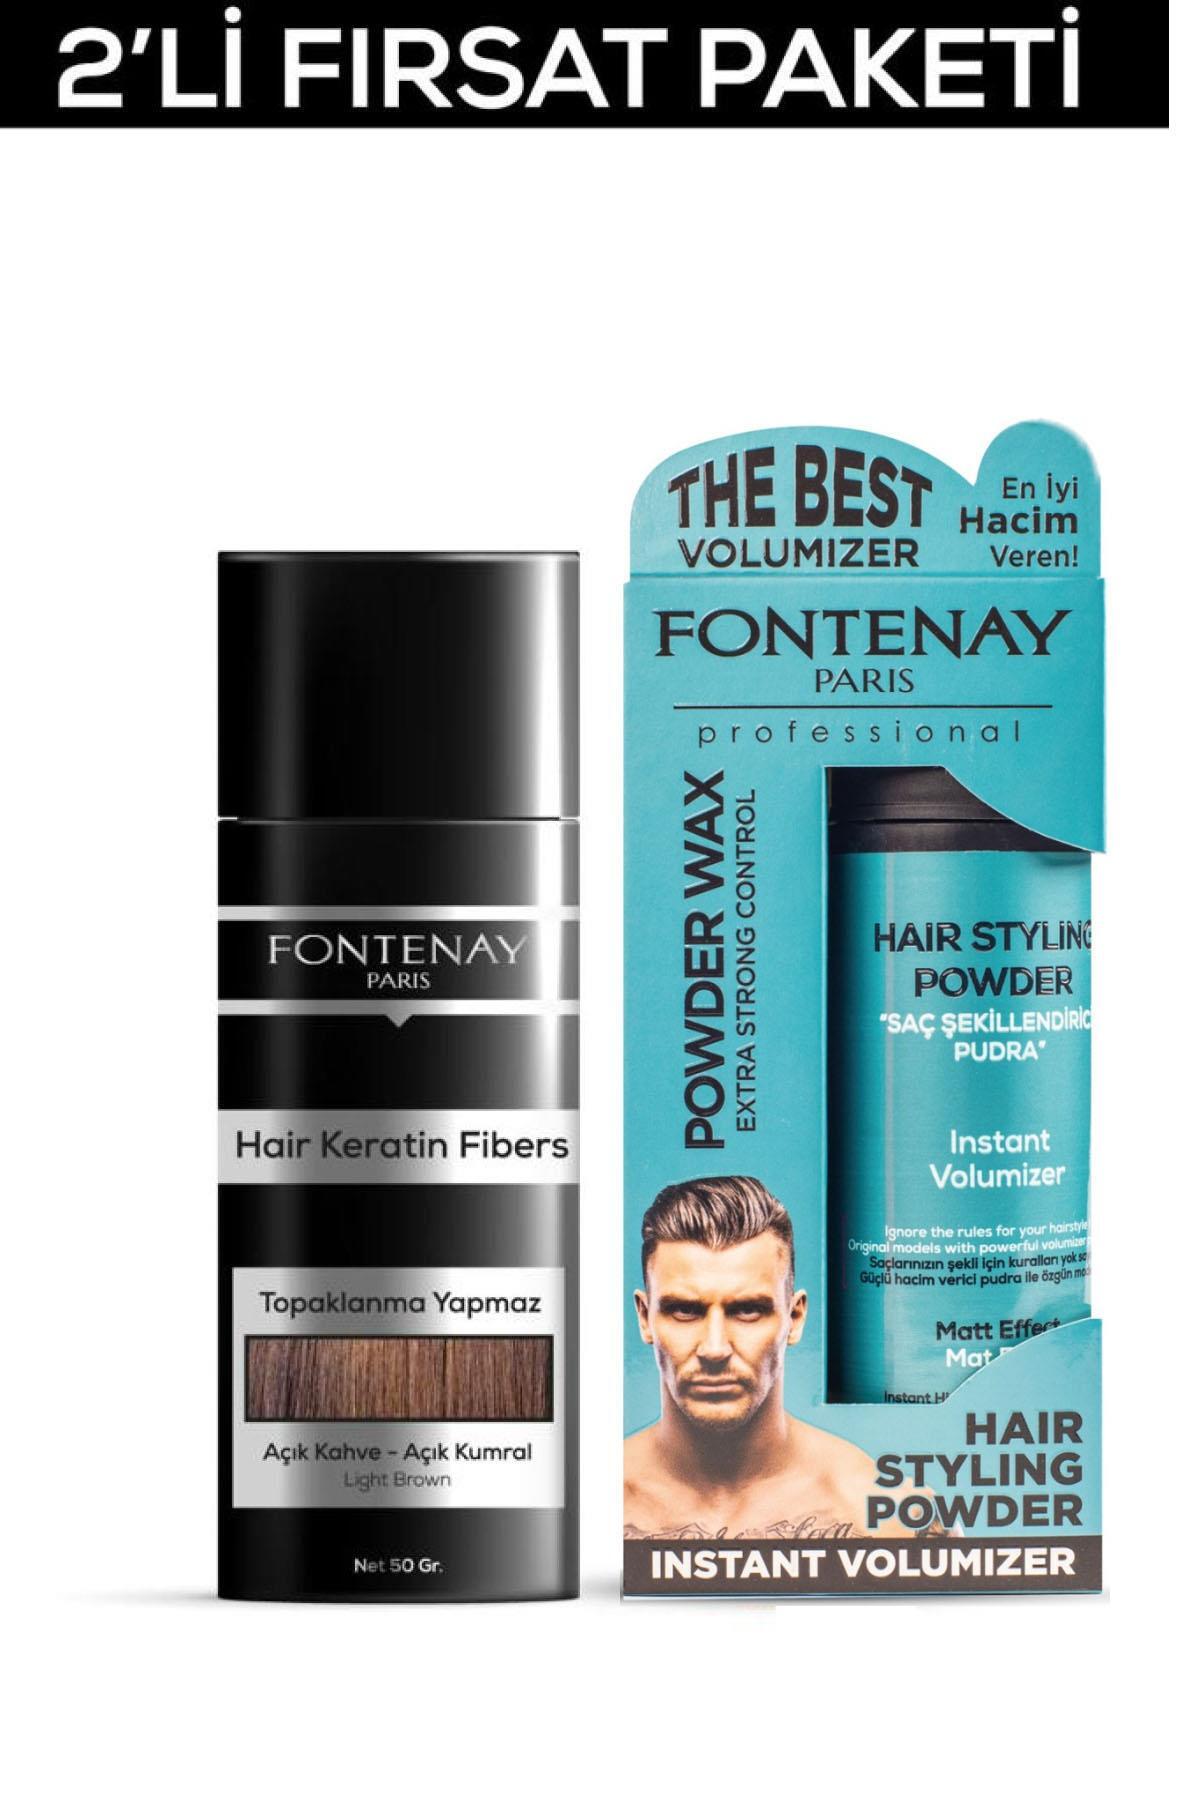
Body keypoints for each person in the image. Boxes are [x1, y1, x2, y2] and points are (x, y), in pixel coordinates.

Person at [624, 1175, 943, 1540]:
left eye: (748, 1311)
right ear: (644, 1318)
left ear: (795, 1317)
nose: (715, 1348)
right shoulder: (591, 1503)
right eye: (685, 1311)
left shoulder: (890, 1515)